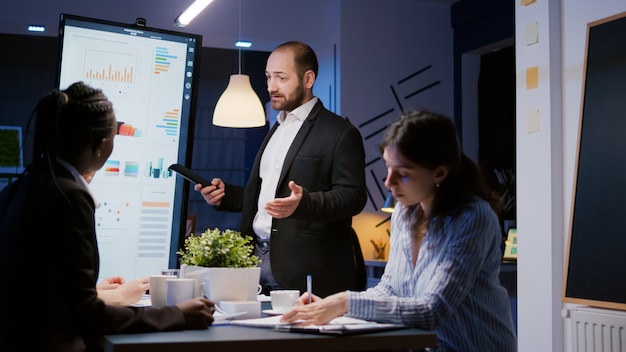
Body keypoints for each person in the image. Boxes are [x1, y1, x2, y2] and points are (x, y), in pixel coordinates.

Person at [0, 81, 214, 351]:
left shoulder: (22, 186)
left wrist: (96, 291)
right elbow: (82, 315)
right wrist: (177, 315)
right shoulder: (69, 196)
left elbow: (37, 291)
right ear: (101, 146)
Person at [281, 110, 517, 351]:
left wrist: (344, 303)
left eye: (402, 174)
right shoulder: (406, 212)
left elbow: (431, 310)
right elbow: (390, 288)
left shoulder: (472, 218)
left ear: (440, 173)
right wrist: (330, 304)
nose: (388, 182)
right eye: (388, 167)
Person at [196, 41, 367, 297]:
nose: (271, 86)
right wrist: (226, 196)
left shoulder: (340, 133)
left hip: (304, 270)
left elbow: (354, 196)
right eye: (268, 77)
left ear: (308, 78)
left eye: (281, 78)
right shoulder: (276, 127)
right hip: (254, 262)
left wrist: (305, 203)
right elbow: (266, 198)